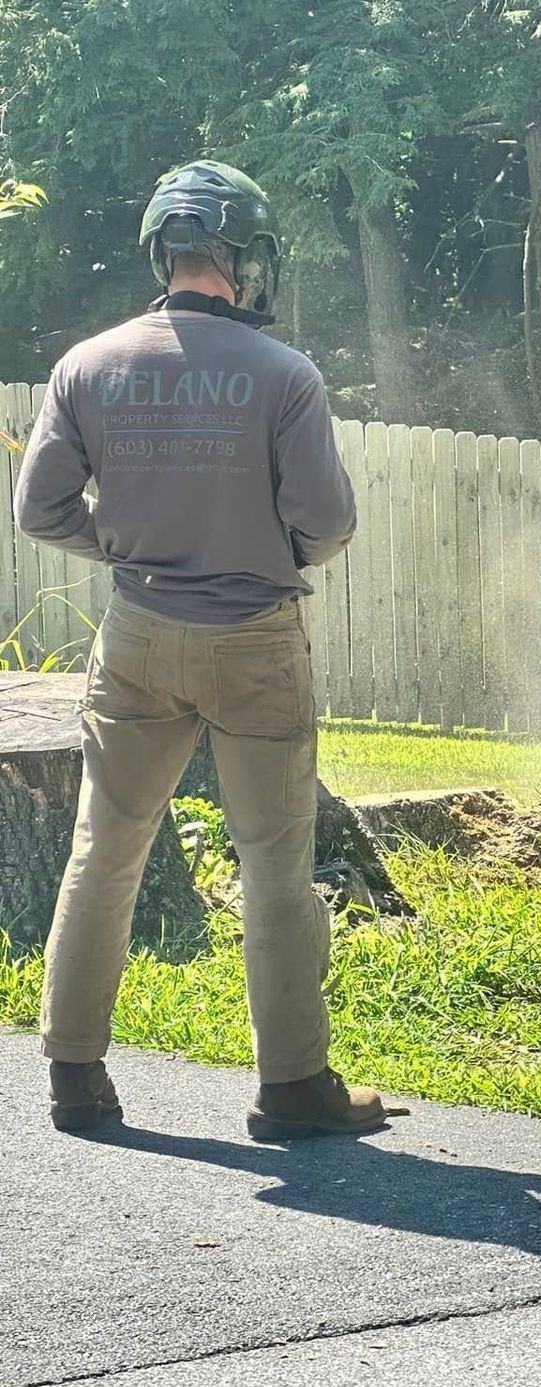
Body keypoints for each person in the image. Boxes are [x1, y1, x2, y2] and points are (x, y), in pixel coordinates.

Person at [15, 160, 389, 1140]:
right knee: (273, 861)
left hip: (136, 632)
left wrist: (130, 543)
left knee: (106, 848)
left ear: (164, 254)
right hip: (254, 641)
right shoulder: (285, 376)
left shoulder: (86, 365)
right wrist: (261, 548)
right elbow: (328, 522)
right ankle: (293, 1089)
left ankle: (72, 1076)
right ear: (243, 261)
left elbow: (40, 509)